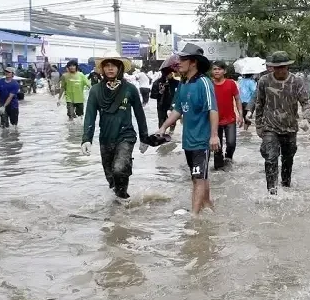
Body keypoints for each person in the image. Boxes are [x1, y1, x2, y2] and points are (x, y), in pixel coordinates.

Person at [157, 43, 219, 214]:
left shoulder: (204, 83)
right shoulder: (182, 84)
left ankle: (194, 218)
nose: (179, 62)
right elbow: (178, 110)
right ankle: (208, 207)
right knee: (197, 177)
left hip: (202, 140)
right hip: (188, 141)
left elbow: (213, 109)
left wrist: (214, 136)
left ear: (193, 62)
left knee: (198, 178)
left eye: (183, 59)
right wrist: (163, 127)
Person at [81, 52, 149, 200]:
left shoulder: (130, 89)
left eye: (114, 65)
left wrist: (145, 138)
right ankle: (120, 208)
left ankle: (124, 200)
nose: (110, 69)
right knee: (111, 178)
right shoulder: (95, 90)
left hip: (126, 136)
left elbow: (139, 114)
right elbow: (90, 116)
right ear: (103, 69)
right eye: (107, 65)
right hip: (105, 138)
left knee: (119, 169)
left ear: (120, 68)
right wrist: (86, 138)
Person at [253, 51, 309, 194]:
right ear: (272, 67)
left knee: (288, 159)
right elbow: (259, 103)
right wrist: (258, 126)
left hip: (290, 128)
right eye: (277, 67)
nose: (280, 70)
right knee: (270, 158)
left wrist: (305, 119)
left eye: (283, 66)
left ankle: (286, 186)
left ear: (287, 67)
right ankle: (272, 191)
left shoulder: (297, 81)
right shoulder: (264, 81)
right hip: (270, 127)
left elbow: (305, 102)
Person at [211, 61, 244, 169]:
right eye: (215, 69)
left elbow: (238, 99)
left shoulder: (231, 83)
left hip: (230, 119)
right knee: (217, 146)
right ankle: (218, 168)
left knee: (231, 143)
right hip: (214, 120)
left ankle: (228, 158)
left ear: (224, 71)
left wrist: (241, 114)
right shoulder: (209, 84)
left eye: (219, 69)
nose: (217, 71)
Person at [150, 67, 180, 132]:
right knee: (161, 121)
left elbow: (180, 93)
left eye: (171, 73)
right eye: (169, 73)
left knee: (173, 121)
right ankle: (161, 135)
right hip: (161, 105)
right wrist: (160, 92)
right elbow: (152, 96)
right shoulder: (157, 83)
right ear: (165, 74)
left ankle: (171, 134)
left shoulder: (176, 83)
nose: (171, 74)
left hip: (172, 105)